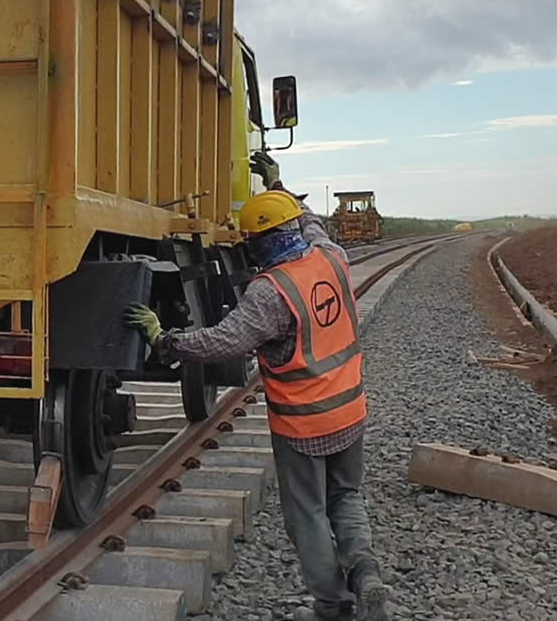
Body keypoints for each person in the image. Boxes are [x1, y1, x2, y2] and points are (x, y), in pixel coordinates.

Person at [123, 151, 389, 621]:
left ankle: (333, 605)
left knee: (307, 514)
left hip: (304, 425)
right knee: (346, 497)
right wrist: (278, 184)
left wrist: (163, 339)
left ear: (256, 244)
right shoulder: (332, 256)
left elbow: (222, 341)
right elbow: (310, 223)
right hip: (351, 411)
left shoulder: (271, 292)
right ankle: (365, 572)